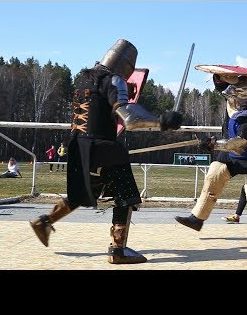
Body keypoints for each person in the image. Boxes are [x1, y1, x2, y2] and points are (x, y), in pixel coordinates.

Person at [29, 39, 183, 264]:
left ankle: (44, 222)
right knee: (126, 196)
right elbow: (128, 118)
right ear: (127, 65)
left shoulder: (84, 80)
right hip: (103, 148)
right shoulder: (115, 79)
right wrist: (162, 122)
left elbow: (100, 108)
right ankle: (118, 250)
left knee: (84, 192)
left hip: (79, 147)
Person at [175, 70, 247, 248]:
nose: (229, 98)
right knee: (214, 173)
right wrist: (219, 76)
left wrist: (212, 144)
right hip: (230, 155)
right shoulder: (234, 101)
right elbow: (222, 87)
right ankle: (197, 218)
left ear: (244, 98)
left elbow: (237, 143)